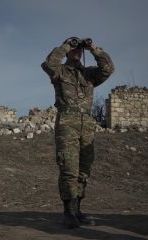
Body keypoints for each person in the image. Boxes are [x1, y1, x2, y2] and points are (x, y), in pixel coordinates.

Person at [41, 37, 114, 228]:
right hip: (67, 123)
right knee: (68, 167)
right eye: (74, 49)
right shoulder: (60, 71)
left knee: (84, 169)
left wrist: (93, 49)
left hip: (87, 125)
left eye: (78, 49)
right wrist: (66, 46)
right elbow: (49, 63)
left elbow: (108, 69)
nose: (76, 51)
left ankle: (78, 210)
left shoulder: (89, 75)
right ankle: (68, 212)